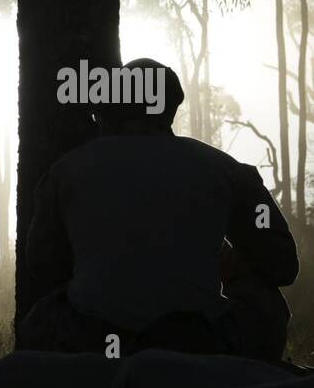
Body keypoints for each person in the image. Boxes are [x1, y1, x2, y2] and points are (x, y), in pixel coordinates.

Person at [20, 58, 299, 360]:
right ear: (171, 107)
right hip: (200, 340)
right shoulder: (224, 169)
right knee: (267, 301)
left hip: (93, 339)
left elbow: (41, 268)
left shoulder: (65, 170)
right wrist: (230, 264)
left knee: (43, 311)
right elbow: (281, 265)